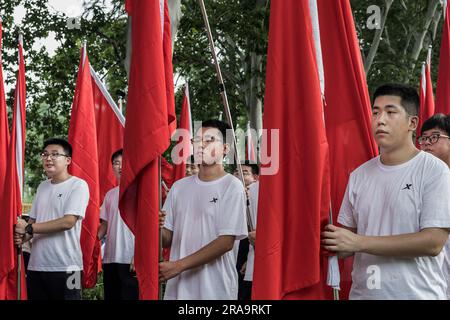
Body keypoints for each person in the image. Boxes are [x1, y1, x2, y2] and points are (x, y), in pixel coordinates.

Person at [322, 84, 450, 299]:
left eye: (390, 112)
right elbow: (347, 242)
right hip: (363, 294)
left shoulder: (435, 171)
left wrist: (359, 242)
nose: (380, 120)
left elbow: (433, 242)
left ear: (412, 123)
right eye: (375, 112)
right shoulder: (359, 175)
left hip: (417, 295)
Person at [159, 119, 248, 300]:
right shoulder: (178, 187)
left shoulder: (232, 186)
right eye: (197, 140)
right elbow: (166, 238)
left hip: (215, 289)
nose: (201, 146)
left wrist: (179, 266)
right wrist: (155, 226)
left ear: (225, 148)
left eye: (209, 140)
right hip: (178, 289)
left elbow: (225, 242)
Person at [14, 138, 89, 300]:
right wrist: (20, 234)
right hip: (37, 266)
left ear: (68, 160)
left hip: (69, 267)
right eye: (45, 154)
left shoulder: (78, 185)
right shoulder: (42, 187)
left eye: (55, 154)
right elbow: (32, 226)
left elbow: (68, 221)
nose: (48, 158)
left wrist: (28, 228)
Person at [97, 149, 138, 300]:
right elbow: (105, 225)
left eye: (124, 163)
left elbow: (148, 228)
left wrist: (139, 255)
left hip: (131, 259)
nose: (120, 167)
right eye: (116, 163)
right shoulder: (110, 195)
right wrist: (91, 241)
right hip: (110, 259)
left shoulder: (141, 192)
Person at [418, 113, 450, 299]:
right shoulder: (419, 181)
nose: (427, 142)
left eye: (434, 137)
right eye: (423, 138)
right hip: (430, 278)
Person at [232, 162, 259, 300]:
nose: (239, 175)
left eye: (245, 172)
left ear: (256, 178)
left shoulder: (258, 196)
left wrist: (251, 259)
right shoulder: (228, 195)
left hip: (247, 252)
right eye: (236, 172)